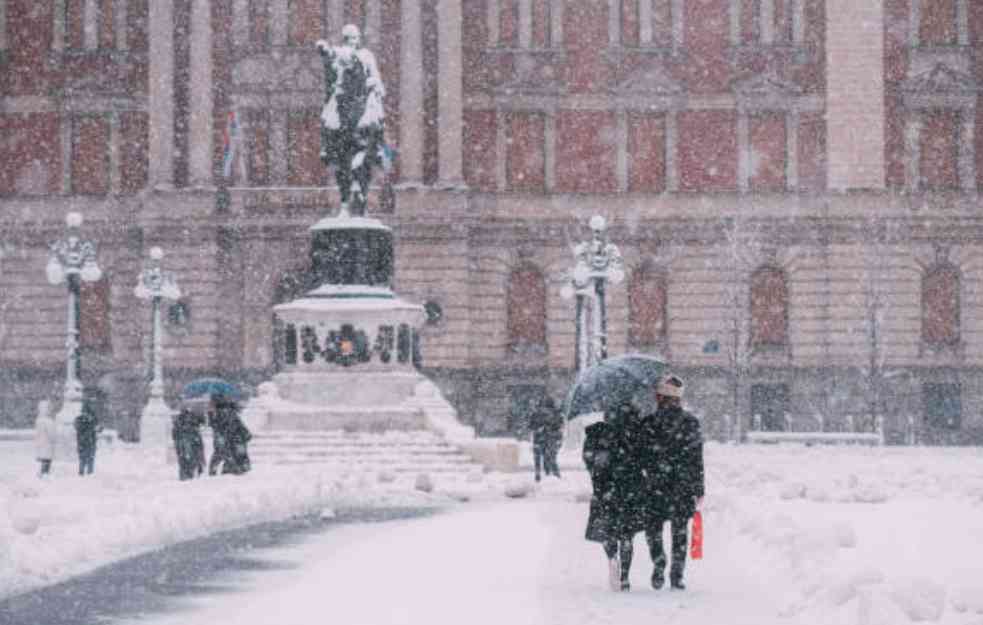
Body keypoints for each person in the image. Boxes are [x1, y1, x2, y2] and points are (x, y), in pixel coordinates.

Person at [637, 374, 705, 591]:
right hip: (682, 486)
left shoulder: (647, 424)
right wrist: (698, 486)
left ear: (659, 397)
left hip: (655, 485)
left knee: (653, 528)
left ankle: (658, 562)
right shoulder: (690, 423)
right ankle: (677, 574)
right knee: (680, 531)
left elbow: (640, 456)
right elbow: (696, 457)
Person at [316, 24, 387, 216]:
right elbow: (332, 57)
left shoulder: (366, 55)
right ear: (344, 39)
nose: (351, 42)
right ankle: (326, 146)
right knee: (326, 117)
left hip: (363, 98)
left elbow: (376, 77)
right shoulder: (339, 53)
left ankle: (379, 146)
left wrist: (374, 84)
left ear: (358, 39)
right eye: (348, 38)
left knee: (378, 116)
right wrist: (324, 49)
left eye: (354, 38)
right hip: (342, 99)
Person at [583, 402, 646, 592]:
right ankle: (625, 576)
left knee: (608, 529)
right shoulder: (637, 431)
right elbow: (647, 458)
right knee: (627, 534)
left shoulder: (598, 432)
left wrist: (598, 475)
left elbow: (589, 459)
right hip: (630, 489)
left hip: (605, 489)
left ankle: (612, 556)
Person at [209, 395, 252, 475]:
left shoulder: (220, 413)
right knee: (228, 453)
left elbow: (215, 425)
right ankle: (234, 468)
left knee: (223, 453)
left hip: (228, 437)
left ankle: (228, 469)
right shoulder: (226, 412)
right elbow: (238, 424)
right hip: (231, 437)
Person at [530, 396, 563, 481]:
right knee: (550, 458)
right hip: (550, 438)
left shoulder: (536, 413)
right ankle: (553, 475)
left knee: (540, 457)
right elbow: (559, 427)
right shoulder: (556, 413)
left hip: (541, 438)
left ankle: (541, 474)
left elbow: (531, 426)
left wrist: (539, 428)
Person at [172, 407, 205, 481]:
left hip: (184, 444)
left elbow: (174, 435)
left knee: (184, 460)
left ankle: (186, 475)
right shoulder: (192, 423)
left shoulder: (180, 422)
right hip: (189, 443)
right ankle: (191, 473)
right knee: (191, 459)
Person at [74, 396, 99, 476]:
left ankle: (89, 474)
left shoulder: (94, 418)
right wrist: (87, 423)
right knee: (83, 459)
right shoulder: (80, 419)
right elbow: (78, 427)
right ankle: (81, 474)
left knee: (90, 458)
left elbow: (98, 428)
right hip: (83, 442)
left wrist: (97, 428)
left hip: (91, 441)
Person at [34, 400, 56, 477]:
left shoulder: (38, 420)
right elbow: (51, 434)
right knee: (47, 459)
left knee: (44, 458)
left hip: (41, 443)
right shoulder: (48, 421)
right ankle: (45, 473)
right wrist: (54, 440)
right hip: (47, 443)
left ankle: (42, 472)